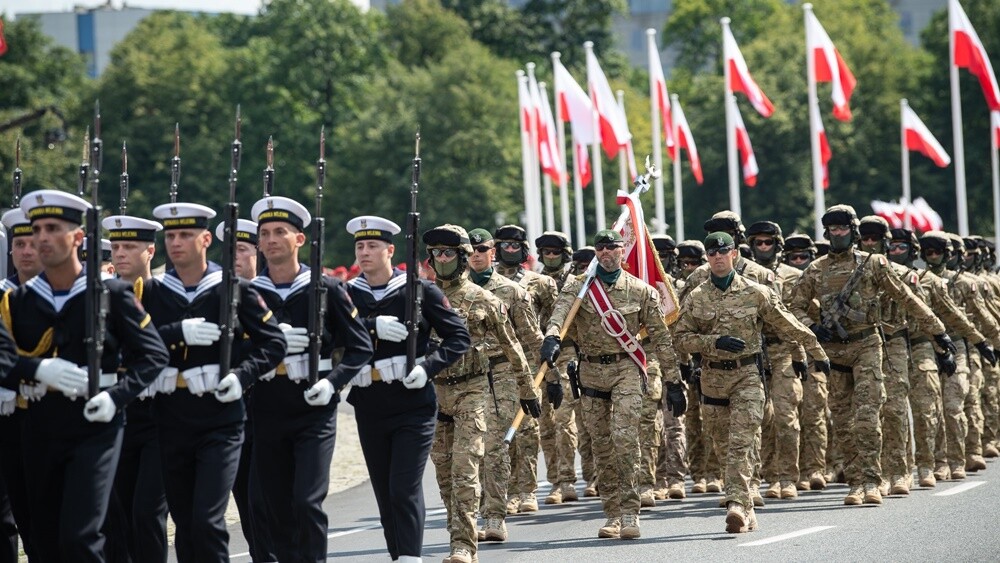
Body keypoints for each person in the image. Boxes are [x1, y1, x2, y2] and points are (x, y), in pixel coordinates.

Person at [0, 189, 168, 561]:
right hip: (39, 426)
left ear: (78, 237)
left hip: (96, 427)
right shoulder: (19, 301)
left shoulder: (111, 295)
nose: (42, 238)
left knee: (81, 535)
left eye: (53, 228)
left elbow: (153, 355)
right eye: (37, 229)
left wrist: (116, 397)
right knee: (43, 537)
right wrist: (38, 367)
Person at [142, 201, 286, 562]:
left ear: (206, 239)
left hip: (220, 420)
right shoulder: (154, 293)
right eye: (171, 235)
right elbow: (131, 344)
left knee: (208, 520)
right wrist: (176, 333)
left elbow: (273, 343)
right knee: (186, 524)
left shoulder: (232, 289)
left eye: (186, 235)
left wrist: (241, 376)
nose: (176, 242)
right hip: (170, 416)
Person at [789, 205, 950, 506]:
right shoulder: (816, 269)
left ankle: (873, 481)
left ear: (853, 230)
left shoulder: (873, 264)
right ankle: (855, 482)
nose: (837, 233)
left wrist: (938, 331)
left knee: (867, 417)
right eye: (832, 228)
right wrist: (812, 327)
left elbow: (906, 297)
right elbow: (793, 305)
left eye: (842, 227)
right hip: (834, 353)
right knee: (843, 421)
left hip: (867, 346)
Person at [674, 231, 829, 533]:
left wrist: (815, 351)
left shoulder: (756, 291)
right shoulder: (696, 297)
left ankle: (734, 503)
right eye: (712, 252)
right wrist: (713, 342)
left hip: (747, 376)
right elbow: (680, 340)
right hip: (713, 379)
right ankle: (746, 506)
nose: (718, 257)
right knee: (721, 444)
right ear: (707, 257)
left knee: (741, 442)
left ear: (734, 254)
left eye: (723, 251)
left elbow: (788, 324)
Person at [246, 196, 372, 562]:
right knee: (276, 506)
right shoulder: (249, 293)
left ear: (299, 239)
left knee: (306, 501)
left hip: (312, 406)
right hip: (267, 403)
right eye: (265, 233)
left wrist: (332, 382)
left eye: (280, 232)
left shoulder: (326, 288)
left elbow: (359, 348)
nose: (270, 240)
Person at [541, 229, 685, 540]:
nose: (607, 253)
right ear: (595, 251)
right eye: (601, 248)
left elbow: (661, 339)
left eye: (613, 247)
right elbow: (559, 316)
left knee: (624, 438)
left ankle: (631, 512)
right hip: (591, 371)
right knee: (601, 445)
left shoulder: (641, 291)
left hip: (626, 369)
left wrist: (674, 381)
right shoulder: (579, 288)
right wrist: (552, 338)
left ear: (623, 251)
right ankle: (613, 513)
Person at [346, 215, 469, 563]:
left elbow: (458, 337)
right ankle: (398, 555)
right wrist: (370, 326)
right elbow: (330, 338)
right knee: (385, 493)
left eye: (372, 246)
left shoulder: (419, 290)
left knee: (403, 488)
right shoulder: (347, 294)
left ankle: (411, 558)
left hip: (412, 402)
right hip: (369, 401)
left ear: (390, 250)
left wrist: (428, 366)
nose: (365, 252)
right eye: (360, 246)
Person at [424, 224, 538, 563]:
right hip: (434, 393)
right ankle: (458, 525)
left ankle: (463, 544)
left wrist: (528, 389)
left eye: (448, 253)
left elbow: (514, 344)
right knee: (443, 470)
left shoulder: (485, 299)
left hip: (474, 389)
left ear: (460, 258)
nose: (442, 258)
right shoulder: (422, 298)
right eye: (436, 253)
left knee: (466, 466)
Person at [465, 228, 551, 542]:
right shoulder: (447, 291)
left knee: (495, 446)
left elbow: (531, 337)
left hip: (501, 375)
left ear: (493, 252)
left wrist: (543, 379)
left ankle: (494, 515)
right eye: (471, 249)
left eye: (482, 249)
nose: (476, 254)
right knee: (464, 451)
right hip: (461, 379)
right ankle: (466, 513)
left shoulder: (512, 291)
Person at [102, 214, 171, 563]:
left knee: (147, 513)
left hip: (160, 415)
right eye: (115, 246)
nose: (120, 254)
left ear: (150, 250)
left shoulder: (167, 295)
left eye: (129, 246)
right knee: (116, 517)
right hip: (115, 415)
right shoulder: (101, 297)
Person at [918, 231, 999, 481]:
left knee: (956, 403)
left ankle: (961, 457)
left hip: (960, 346)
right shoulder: (918, 280)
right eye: (928, 253)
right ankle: (938, 461)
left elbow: (980, 314)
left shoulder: (965, 283)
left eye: (937, 252)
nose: (933, 257)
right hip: (926, 348)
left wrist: (991, 341)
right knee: (931, 408)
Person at [214, 216, 267, 560]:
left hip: (271, 409)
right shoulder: (218, 297)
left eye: (243, 248)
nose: (235, 255)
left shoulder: (275, 294)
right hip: (232, 413)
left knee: (266, 498)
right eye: (230, 248)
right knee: (245, 500)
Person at [492, 224, 554, 514]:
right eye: (504, 244)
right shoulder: (482, 282)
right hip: (492, 364)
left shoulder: (540, 283)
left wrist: (552, 372)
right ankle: (504, 492)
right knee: (499, 432)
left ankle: (527, 490)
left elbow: (554, 325)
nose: (510, 250)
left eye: (515, 245)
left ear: (524, 249)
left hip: (529, 362)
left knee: (527, 428)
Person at [0, 208, 38, 562]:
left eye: (32, 243)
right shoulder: (2, 294)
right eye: (18, 244)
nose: (25, 251)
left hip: (44, 414)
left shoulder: (67, 295)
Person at [533, 231, 580, 506]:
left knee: (564, 419)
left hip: (567, 353)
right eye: (547, 252)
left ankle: (567, 480)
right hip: (539, 355)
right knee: (545, 423)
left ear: (566, 255)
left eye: (556, 252)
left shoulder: (577, 284)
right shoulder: (532, 283)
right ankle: (554, 480)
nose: (551, 256)